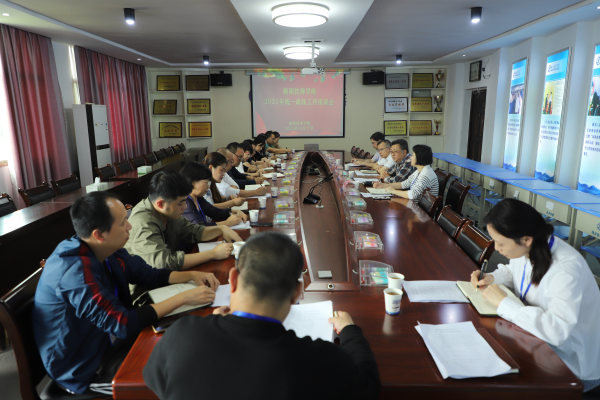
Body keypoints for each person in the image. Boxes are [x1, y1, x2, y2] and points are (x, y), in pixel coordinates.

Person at [143, 231, 381, 400]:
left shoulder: (181, 335)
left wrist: (208, 325)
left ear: (233, 279)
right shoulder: (320, 360)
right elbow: (369, 385)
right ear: (297, 293)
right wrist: (350, 331)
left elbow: (156, 379)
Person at [33, 192, 220, 396]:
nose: (130, 226)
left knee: (191, 349)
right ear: (99, 234)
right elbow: (121, 323)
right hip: (86, 367)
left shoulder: (105, 248)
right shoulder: (74, 270)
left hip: (114, 341)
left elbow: (147, 274)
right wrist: (184, 298)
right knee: (182, 379)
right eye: (123, 222)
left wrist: (191, 275)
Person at [470, 199, 600, 392]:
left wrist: (505, 303)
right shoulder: (530, 247)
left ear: (526, 239)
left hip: (571, 365)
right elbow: (516, 272)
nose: (496, 249)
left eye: (500, 243)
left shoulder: (565, 269)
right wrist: (491, 277)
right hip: (537, 342)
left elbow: (557, 330)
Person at [125, 169, 242, 272]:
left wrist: (221, 229)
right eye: (180, 203)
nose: (185, 207)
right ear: (161, 204)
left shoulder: (168, 212)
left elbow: (193, 231)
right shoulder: (143, 222)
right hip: (147, 287)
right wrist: (213, 254)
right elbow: (163, 263)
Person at [180, 161, 248, 227]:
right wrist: (227, 223)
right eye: (206, 182)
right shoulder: (185, 201)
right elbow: (199, 229)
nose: (209, 186)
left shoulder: (198, 198)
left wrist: (235, 212)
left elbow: (215, 212)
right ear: (193, 181)